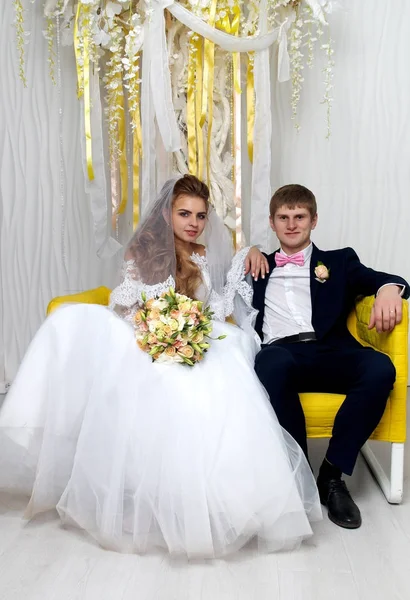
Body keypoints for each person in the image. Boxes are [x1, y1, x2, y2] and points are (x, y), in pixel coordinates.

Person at [0, 175, 321, 559]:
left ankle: (212, 498)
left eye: (201, 216)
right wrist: (156, 328)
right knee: (144, 369)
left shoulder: (207, 255)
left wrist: (246, 253)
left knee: (218, 373)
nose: (193, 223)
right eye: (184, 213)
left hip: (196, 339)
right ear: (167, 212)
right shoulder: (142, 252)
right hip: (149, 340)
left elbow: (217, 306)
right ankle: (151, 494)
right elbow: (123, 305)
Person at [253, 184, 409, 530]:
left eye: (300, 217)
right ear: (272, 222)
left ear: (314, 220)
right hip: (282, 352)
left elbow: (385, 279)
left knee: (381, 367)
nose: (291, 225)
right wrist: (248, 251)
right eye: (284, 218)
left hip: (331, 350)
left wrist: (388, 290)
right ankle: (300, 476)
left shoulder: (339, 261)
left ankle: (332, 474)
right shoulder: (257, 265)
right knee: (271, 364)